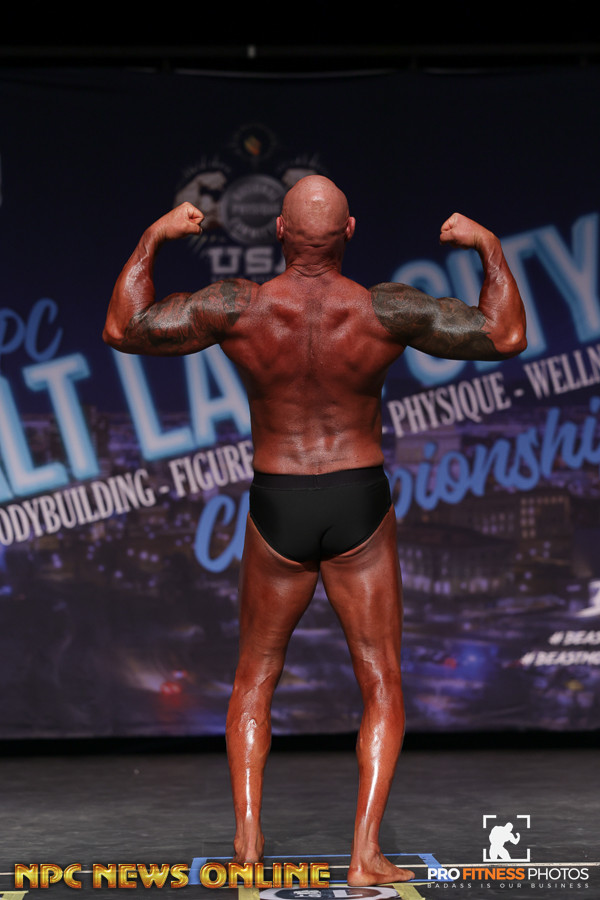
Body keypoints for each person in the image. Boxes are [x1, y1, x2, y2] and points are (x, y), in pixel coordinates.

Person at [103, 175, 527, 885]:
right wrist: (487, 245)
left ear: (278, 230)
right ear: (350, 231)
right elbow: (506, 334)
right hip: (358, 498)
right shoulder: (383, 309)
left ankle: (247, 843)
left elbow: (123, 326)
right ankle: (365, 855)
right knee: (381, 682)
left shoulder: (239, 307)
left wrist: (154, 237)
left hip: (278, 501)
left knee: (255, 677)